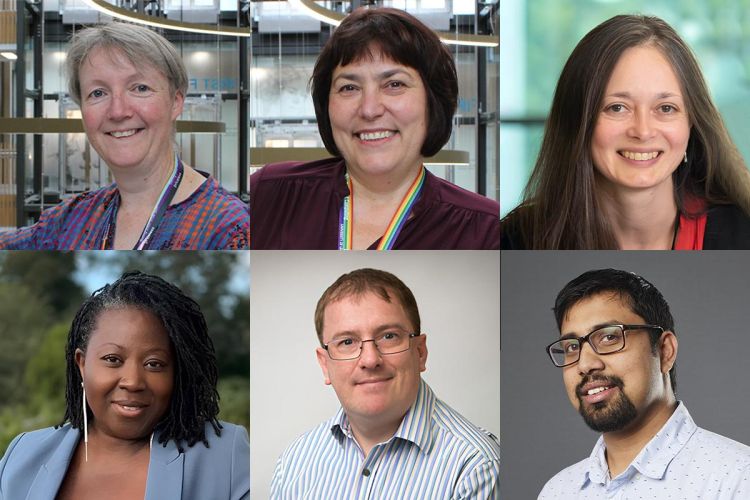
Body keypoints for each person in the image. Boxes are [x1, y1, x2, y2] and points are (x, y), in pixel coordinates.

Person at [251, 8, 500, 249]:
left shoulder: (486, 230)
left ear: (432, 101)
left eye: (394, 84)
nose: (369, 110)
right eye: (349, 88)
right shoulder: (270, 194)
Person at [501, 15, 750, 249]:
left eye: (666, 108)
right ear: (577, 120)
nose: (643, 131)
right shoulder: (517, 240)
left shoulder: (741, 234)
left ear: (692, 122)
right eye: (617, 107)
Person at [0, 271, 250, 500]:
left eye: (154, 364)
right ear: (81, 364)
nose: (132, 382)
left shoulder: (226, 456)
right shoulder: (22, 454)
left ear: (176, 373)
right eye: (112, 360)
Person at [0, 23, 249, 250]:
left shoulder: (230, 229)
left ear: (175, 102)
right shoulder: (67, 222)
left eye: (140, 88)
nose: (118, 111)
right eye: (98, 93)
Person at [270, 268, 500, 498]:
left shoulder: (476, 466)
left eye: (388, 336)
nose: (370, 360)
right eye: (347, 341)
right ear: (325, 364)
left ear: (420, 352)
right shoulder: (293, 463)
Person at [539, 268, 750, 498]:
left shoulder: (737, 478)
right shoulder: (557, 491)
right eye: (572, 347)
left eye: (609, 336)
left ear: (665, 350)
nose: (585, 364)